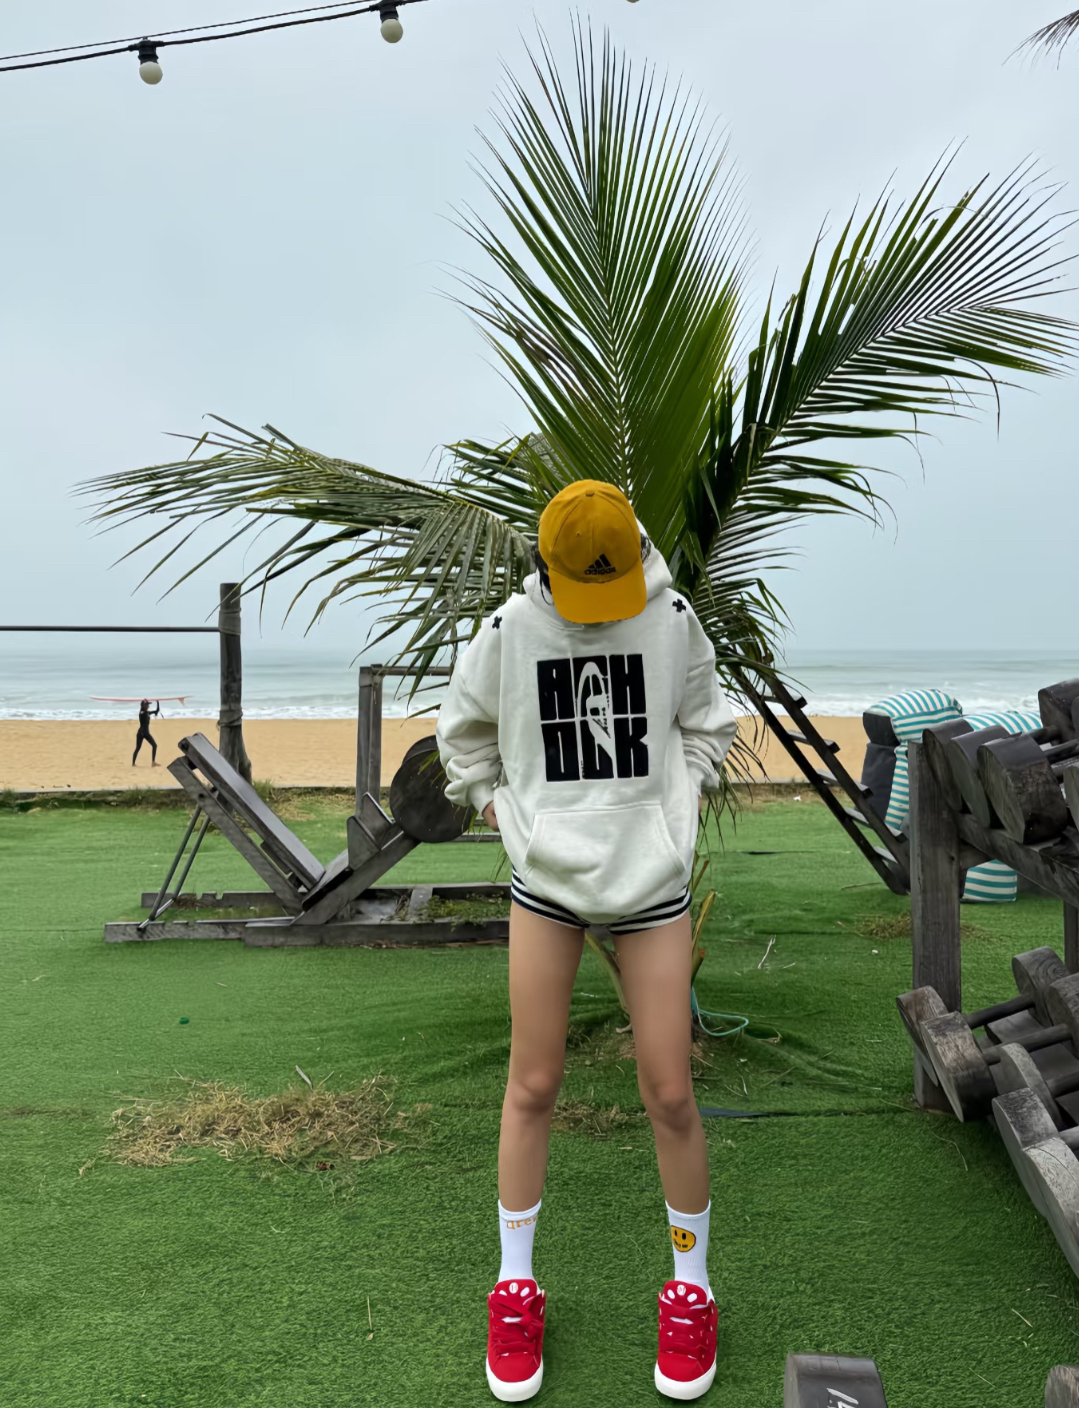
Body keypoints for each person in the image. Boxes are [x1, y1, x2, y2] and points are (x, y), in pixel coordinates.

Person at [435, 480, 738, 1403]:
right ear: (546, 565)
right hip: (548, 884)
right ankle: (513, 1287)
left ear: (637, 554)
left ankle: (692, 1290)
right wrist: (501, 810)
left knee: (669, 1091)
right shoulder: (508, 631)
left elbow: (707, 725)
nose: (600, 610)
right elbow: (463, 737)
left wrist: (677, 810)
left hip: (650, 885)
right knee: (531, 1083)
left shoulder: (671, 618)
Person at [132, 698, 161, 767]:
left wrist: (158, 702)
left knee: (154, 745)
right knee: (138, 748)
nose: (148, 706)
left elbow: (157, 710)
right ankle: (133, 763)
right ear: (144, 706)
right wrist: (143, 704)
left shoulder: (147, 712)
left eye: (148, 705)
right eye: (147, 705)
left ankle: (153, 763)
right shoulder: (142, 713)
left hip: (145, 732)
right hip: (142, 733)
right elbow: (143, 711)